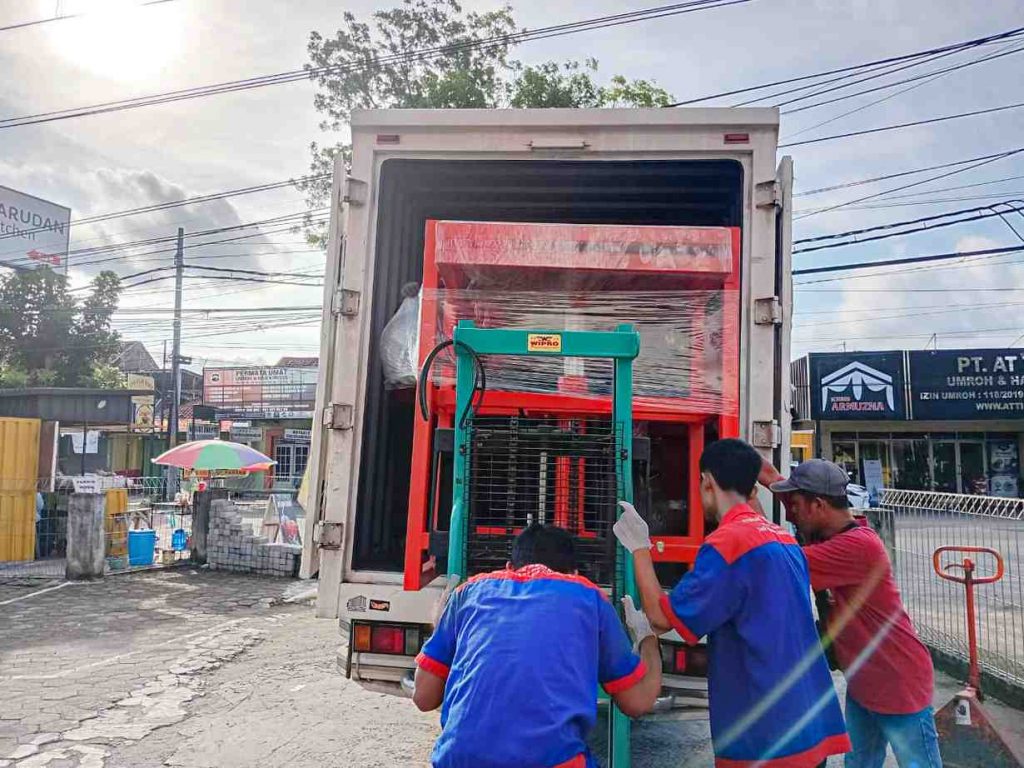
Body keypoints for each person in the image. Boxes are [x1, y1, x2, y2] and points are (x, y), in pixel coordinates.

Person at [614, 438, 850, 767]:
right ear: (752, 488)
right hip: (808, 722)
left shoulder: (728, 544)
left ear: (706, 482)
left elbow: (660, 617)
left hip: (766, 736)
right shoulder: (782, 537)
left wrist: (639, 546)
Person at [413, 523, 663, 768]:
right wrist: (647, 638)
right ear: (574, 573)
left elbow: (423, 697)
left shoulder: (467, 593)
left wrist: (440, 620)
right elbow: (637, 702)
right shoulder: (589, 597)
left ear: (509, 567)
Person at [759, 458, 941, 768]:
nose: (790, 513)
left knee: (919, 764)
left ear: (818, 506)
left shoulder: (855, 548)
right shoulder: (832, 533)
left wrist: (748, 510)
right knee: (859, 762)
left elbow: (778, 562)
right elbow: (796, 511)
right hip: (865, 681)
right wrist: (761, 473)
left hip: (897, 682)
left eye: (796, 505)